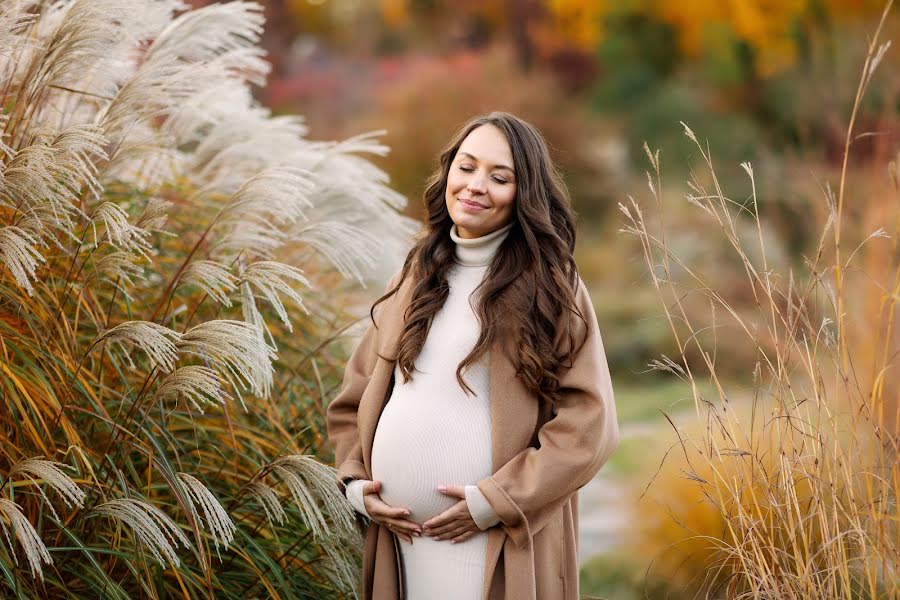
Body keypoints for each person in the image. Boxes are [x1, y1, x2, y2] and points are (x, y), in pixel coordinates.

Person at [325, 111, 619, 600]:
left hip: (492, 540)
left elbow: (590, 424)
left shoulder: (551, 288)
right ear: (447, 174)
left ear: (523, 195)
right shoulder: (416, 276)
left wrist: (495, 502)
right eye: (467, 167)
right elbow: (353, 399)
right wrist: (356, 484)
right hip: (400, 543)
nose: (476, 185)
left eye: (500, 177)